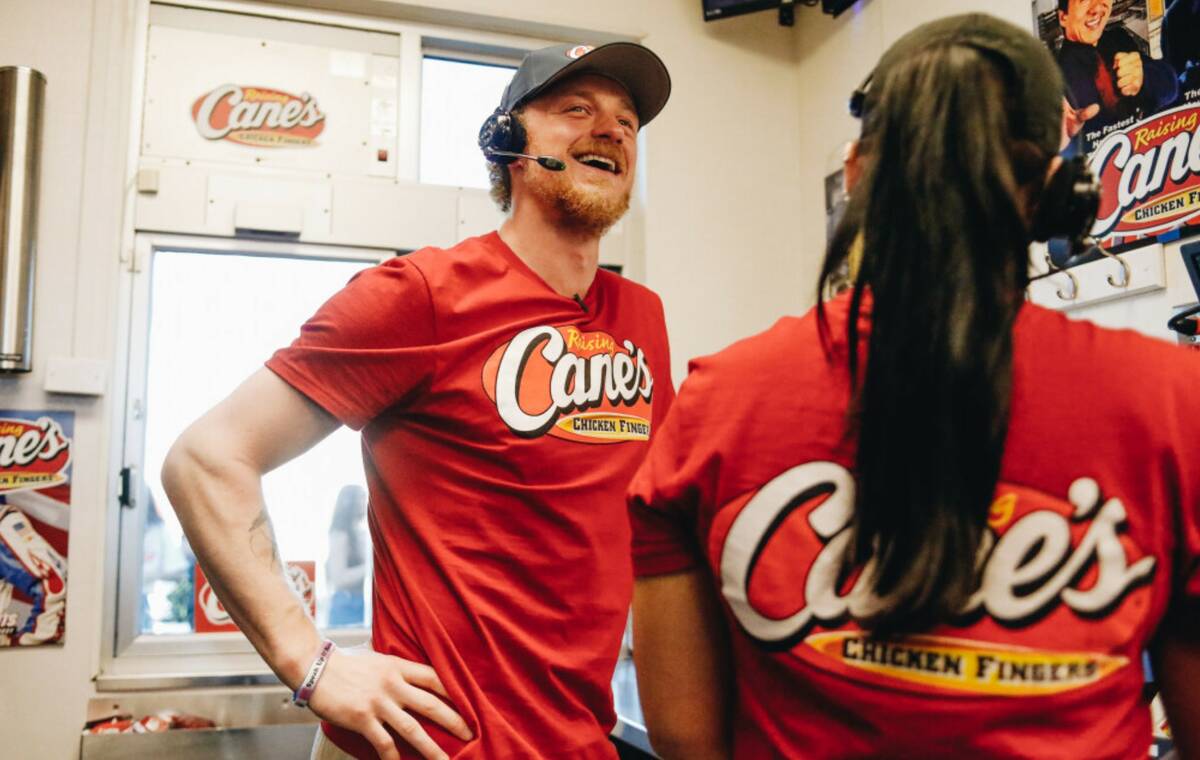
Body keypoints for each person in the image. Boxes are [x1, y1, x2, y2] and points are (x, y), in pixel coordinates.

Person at [627, 13, 1200, 760]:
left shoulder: (717, 402)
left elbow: (685, 737)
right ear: (1063, 189)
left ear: (857, 173)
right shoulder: (1173, 400)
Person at [162, 42, 674, 760]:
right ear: (507, 144)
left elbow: (656, 533)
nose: (613, 129)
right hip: (432, 745)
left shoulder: (641, 319)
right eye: (576, 110)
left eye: (627, 121)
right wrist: (312, 664)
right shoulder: (423, 295)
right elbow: (206, 459)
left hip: (578, 741)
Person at [1055, 0, 1178, 132]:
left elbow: (1171, 86)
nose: (1097, 7)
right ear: (1063, 17)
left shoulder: (1118, 39)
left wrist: (1145, 77)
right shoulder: (1056, 77)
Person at [326, 485, 368, 628]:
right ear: (349, 501)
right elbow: (339, 578)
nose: (366, 501)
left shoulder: (361, 533)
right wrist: (371, 568)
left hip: (360, 604)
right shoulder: (340, 533)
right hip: (346, 606)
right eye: (361, 497)